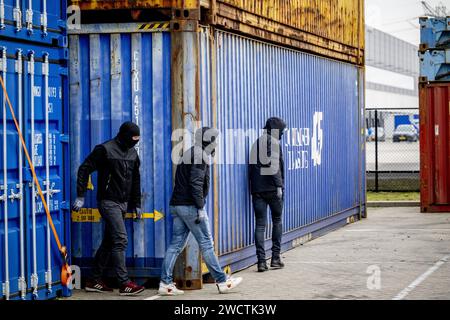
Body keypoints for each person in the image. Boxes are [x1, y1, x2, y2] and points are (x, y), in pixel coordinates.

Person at [158, 127, 243, 296]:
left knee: (175, 245)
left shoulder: (191, 152)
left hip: (177, 205)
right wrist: (200, 207)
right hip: (190, 206)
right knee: (206, 244)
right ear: (208, 140)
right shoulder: (200, 155)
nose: (216, 144)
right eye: (214, 140)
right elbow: (195, 184)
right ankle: (222, 281)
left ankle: (165, 284)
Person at [72, 121, 145, 296]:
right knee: (120, 239)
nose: (135, 142)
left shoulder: (133, 153)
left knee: (110, 241)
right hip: (108, 201)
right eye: (133, 138)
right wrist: (81, 195)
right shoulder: (105, 149)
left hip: (123, 203)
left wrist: (137, 204)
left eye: (137, 139)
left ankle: (94, 280)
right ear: (125, 136)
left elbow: (135, 180)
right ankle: (124, 283)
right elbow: (84, 169)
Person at [249, 117, 287, 272]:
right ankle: (276, 258)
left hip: (258, 190)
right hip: (272, 190)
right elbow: (273, 165)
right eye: (282, 131)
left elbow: (251, 169)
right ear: (275, 129)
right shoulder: (272, 142)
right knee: (277, 221)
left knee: (260, 225)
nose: (282, 135)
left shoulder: (255, 143)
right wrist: (279, 185)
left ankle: (261, 262)